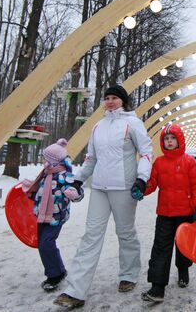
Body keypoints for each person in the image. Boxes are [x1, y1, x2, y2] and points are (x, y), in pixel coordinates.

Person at [54, 85, 153, 308]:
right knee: (91, 236)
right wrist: (79, 179)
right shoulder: (98, 126)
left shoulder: (132, 123)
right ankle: (75, 291)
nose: (110, 102)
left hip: (124, 187)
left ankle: (129, 274)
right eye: (106, 98)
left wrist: (141, 178)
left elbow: (146, 152)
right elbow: (91, 158)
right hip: (99, 187)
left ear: (123, 101)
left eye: (114, 98)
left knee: (125, 232)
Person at [141, 124, 196, 302]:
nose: (169, 142)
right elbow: (152, 183)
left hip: (186, 214)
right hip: (165, 213)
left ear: (179, 140)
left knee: (184, 247)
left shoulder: (189, 161)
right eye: (166, 139)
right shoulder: (159, 163)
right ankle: (157, 286)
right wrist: (141, 188)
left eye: (172, 138)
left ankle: (183, 269)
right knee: (161, 248)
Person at [22, 138, 84, 292]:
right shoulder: (46, 174)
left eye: (46, 159)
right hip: (42, 215)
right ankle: (58, 270)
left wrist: (75, 194)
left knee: (46, 243)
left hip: (56, 216)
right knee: (43, 244)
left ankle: (55, 275)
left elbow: (77, 191)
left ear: (54, 161)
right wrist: (31, 188)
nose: (44, 161)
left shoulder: (64, 176)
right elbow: (41, 191)